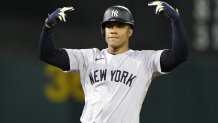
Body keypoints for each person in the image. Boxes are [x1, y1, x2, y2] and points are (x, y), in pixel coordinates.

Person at [39, 1, 189, 123]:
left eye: (120, 26)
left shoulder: (144, 61)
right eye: (109, 26)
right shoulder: (88, 57)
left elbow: (178, 55)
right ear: (103, 31)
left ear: (130, 31)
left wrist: (176, 21)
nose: (113, 30)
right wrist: (48, 27)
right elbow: (48, 55)